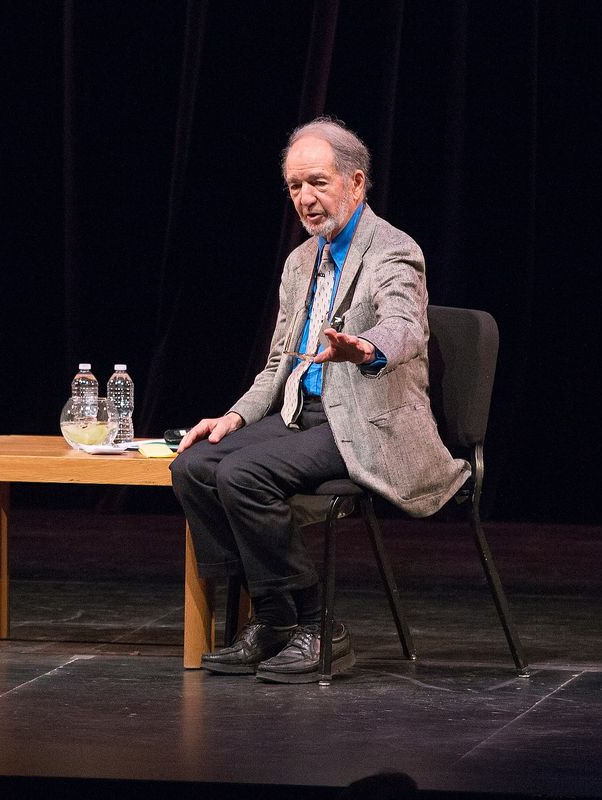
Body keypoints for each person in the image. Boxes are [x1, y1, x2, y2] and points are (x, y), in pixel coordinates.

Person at [170, 117, 469, 683]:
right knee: (194, 465)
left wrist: (365, 349)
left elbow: (405, 325)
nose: (305, 199)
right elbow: (278, 362)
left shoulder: (393, 250)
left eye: (317, 183)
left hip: (362, 421)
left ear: (356, 183)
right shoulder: (300, 261)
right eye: (294, 186)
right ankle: (275, 616)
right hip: (300, 416)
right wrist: (233, 416)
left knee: (242, 475)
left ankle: (317, 624)